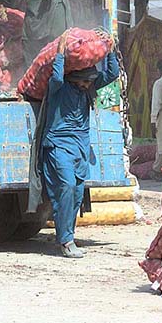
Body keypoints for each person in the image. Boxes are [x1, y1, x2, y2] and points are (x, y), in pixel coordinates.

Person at [41, 30, 119, 258]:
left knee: (76, 193)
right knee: (65, 187)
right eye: (84, 80)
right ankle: (65, 240)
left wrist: (110, 51)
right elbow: (55, 78)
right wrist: (61, 53)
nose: (87, 84)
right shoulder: (60, 88)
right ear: (74, 78)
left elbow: (112, 74)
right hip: (59, 146)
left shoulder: (88, 90)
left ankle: (68, 236)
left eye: (89, 81)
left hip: (80, 147)